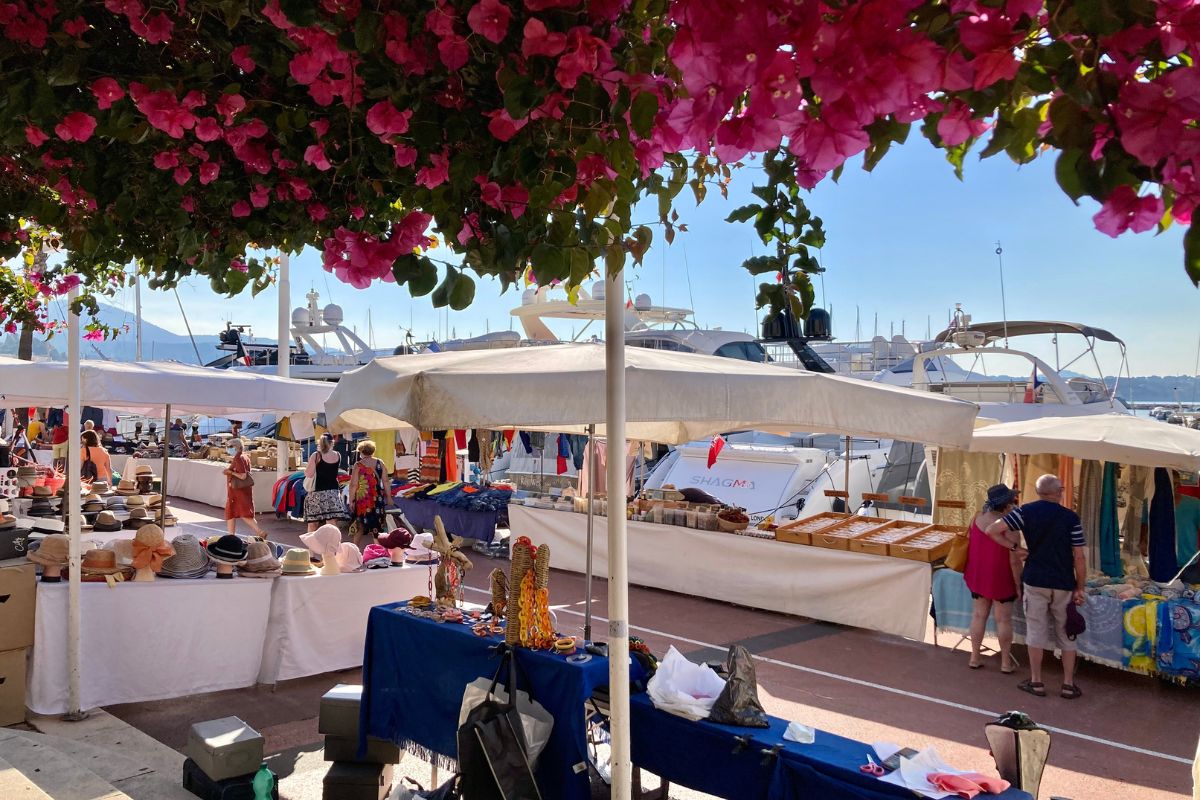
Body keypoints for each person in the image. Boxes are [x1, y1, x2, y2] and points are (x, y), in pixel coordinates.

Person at [986, 474, 1087, 700]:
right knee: (1066, 633)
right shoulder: (1071, 517)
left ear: (1039, 491)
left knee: (1036, 631)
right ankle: (1068, 684)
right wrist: (1081, 586)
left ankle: (1036, 681)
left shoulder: (1025, 512)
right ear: (1059, 491)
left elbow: (992, 530)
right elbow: (1079, 557)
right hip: (1063, 581)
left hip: (1035, 579)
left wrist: (1014, 548)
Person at [964, 484, 1020, 672]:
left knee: (979, 615)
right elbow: (1014, 561)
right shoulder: (1010, 526)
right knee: (1003, 620)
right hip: (1001, 575)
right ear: (1007, 504)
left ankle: (974, 657)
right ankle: (1005, 662)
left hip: (979, 573)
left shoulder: (976, 519)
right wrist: (1018, 585)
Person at [348, 440, 390, 544]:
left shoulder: (358, 465)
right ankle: (380, 552)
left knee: (360, 526)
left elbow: (353, 485)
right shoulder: (380, 463)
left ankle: (354, 551)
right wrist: (389, 497)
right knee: (376, 528)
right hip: (377, 497)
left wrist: (351, 500)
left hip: (362, 499)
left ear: (361, 451)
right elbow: (385, 481)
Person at [303, 433, 346, 532]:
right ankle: (334, 544)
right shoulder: (337, 455)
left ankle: (312, 546)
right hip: (333, 492)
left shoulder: (316, 455)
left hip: (317, 493)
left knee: (313, 523)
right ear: (332, 443)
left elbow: (309, 474)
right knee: (332, 524)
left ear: (320, 443)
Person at [223, 438, 266, 539]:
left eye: (230, 447)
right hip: (242, 489)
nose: (228, 449)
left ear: (236, 447)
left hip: (238, 491)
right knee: (232, 512)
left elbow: (243, 476)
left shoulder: (238, 458)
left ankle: (259, 531)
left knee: (242, 512)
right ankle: (231, 536)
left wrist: (230, 472)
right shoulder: (245, 456)